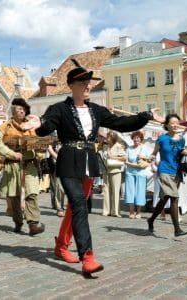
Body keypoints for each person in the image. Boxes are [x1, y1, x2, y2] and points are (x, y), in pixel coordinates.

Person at [23, 60, 164, 276]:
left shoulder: (96, 111)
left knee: (75, 206)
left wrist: (146, 116)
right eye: (83, 82)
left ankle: (61, 245)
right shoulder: (58, 109)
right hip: (69, 161)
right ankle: (87, 257)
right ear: (71, 85)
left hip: (89, 161)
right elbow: (47, 126)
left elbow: (121, 124)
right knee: (80, 205)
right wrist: (39, 124)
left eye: (89, 82)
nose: (88, 85)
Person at [0, 98, 45, 236]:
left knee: (31, 194)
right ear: (13, 110)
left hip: (29, 165)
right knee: (14, 196)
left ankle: (33, 225)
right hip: (13, 165)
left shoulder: (31, 127)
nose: (21, 111)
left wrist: (40, 150)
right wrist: (10, 153)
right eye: (18, 109)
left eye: (23, 109)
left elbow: (38, 144)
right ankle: (18, 221)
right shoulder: (5, 126)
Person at [147, 113, 187, 237]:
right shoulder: (161, 139)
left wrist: (185, 152)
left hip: (177, 172)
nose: (175, 125)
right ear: (167, 125)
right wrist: (149, 159)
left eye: (177, 122)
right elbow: (154, 153)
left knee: (164, 199)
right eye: (172, 123)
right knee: (174, 198)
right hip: (164, 171)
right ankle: (177, 229)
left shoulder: (182, 139)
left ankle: (151, 219)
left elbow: (180, 154)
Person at [124, 130, 150, 219]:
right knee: (130, 192)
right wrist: (135, 165)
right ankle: (131, 211)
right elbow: (126, 161)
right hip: (130, 173)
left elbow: (150, 159)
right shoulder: (129, 148)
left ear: (141, 139)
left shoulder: (145, 148)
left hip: (141, 173)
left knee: (140, 192)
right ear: (132, 139)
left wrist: (143, 157)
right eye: (134, 138)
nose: (136, 139)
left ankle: (138, 212)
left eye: (138, 138)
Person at [102, 131, 125, 217]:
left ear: (113, 138)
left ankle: (115, 211)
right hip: (106, 170)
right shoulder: (105, 147)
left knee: (115, 191)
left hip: (116, 170)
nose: (106, 139)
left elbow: (124, 158)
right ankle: (106, 211)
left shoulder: (119, 146)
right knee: (106, 191)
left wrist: (112, 157)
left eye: (108, 137)